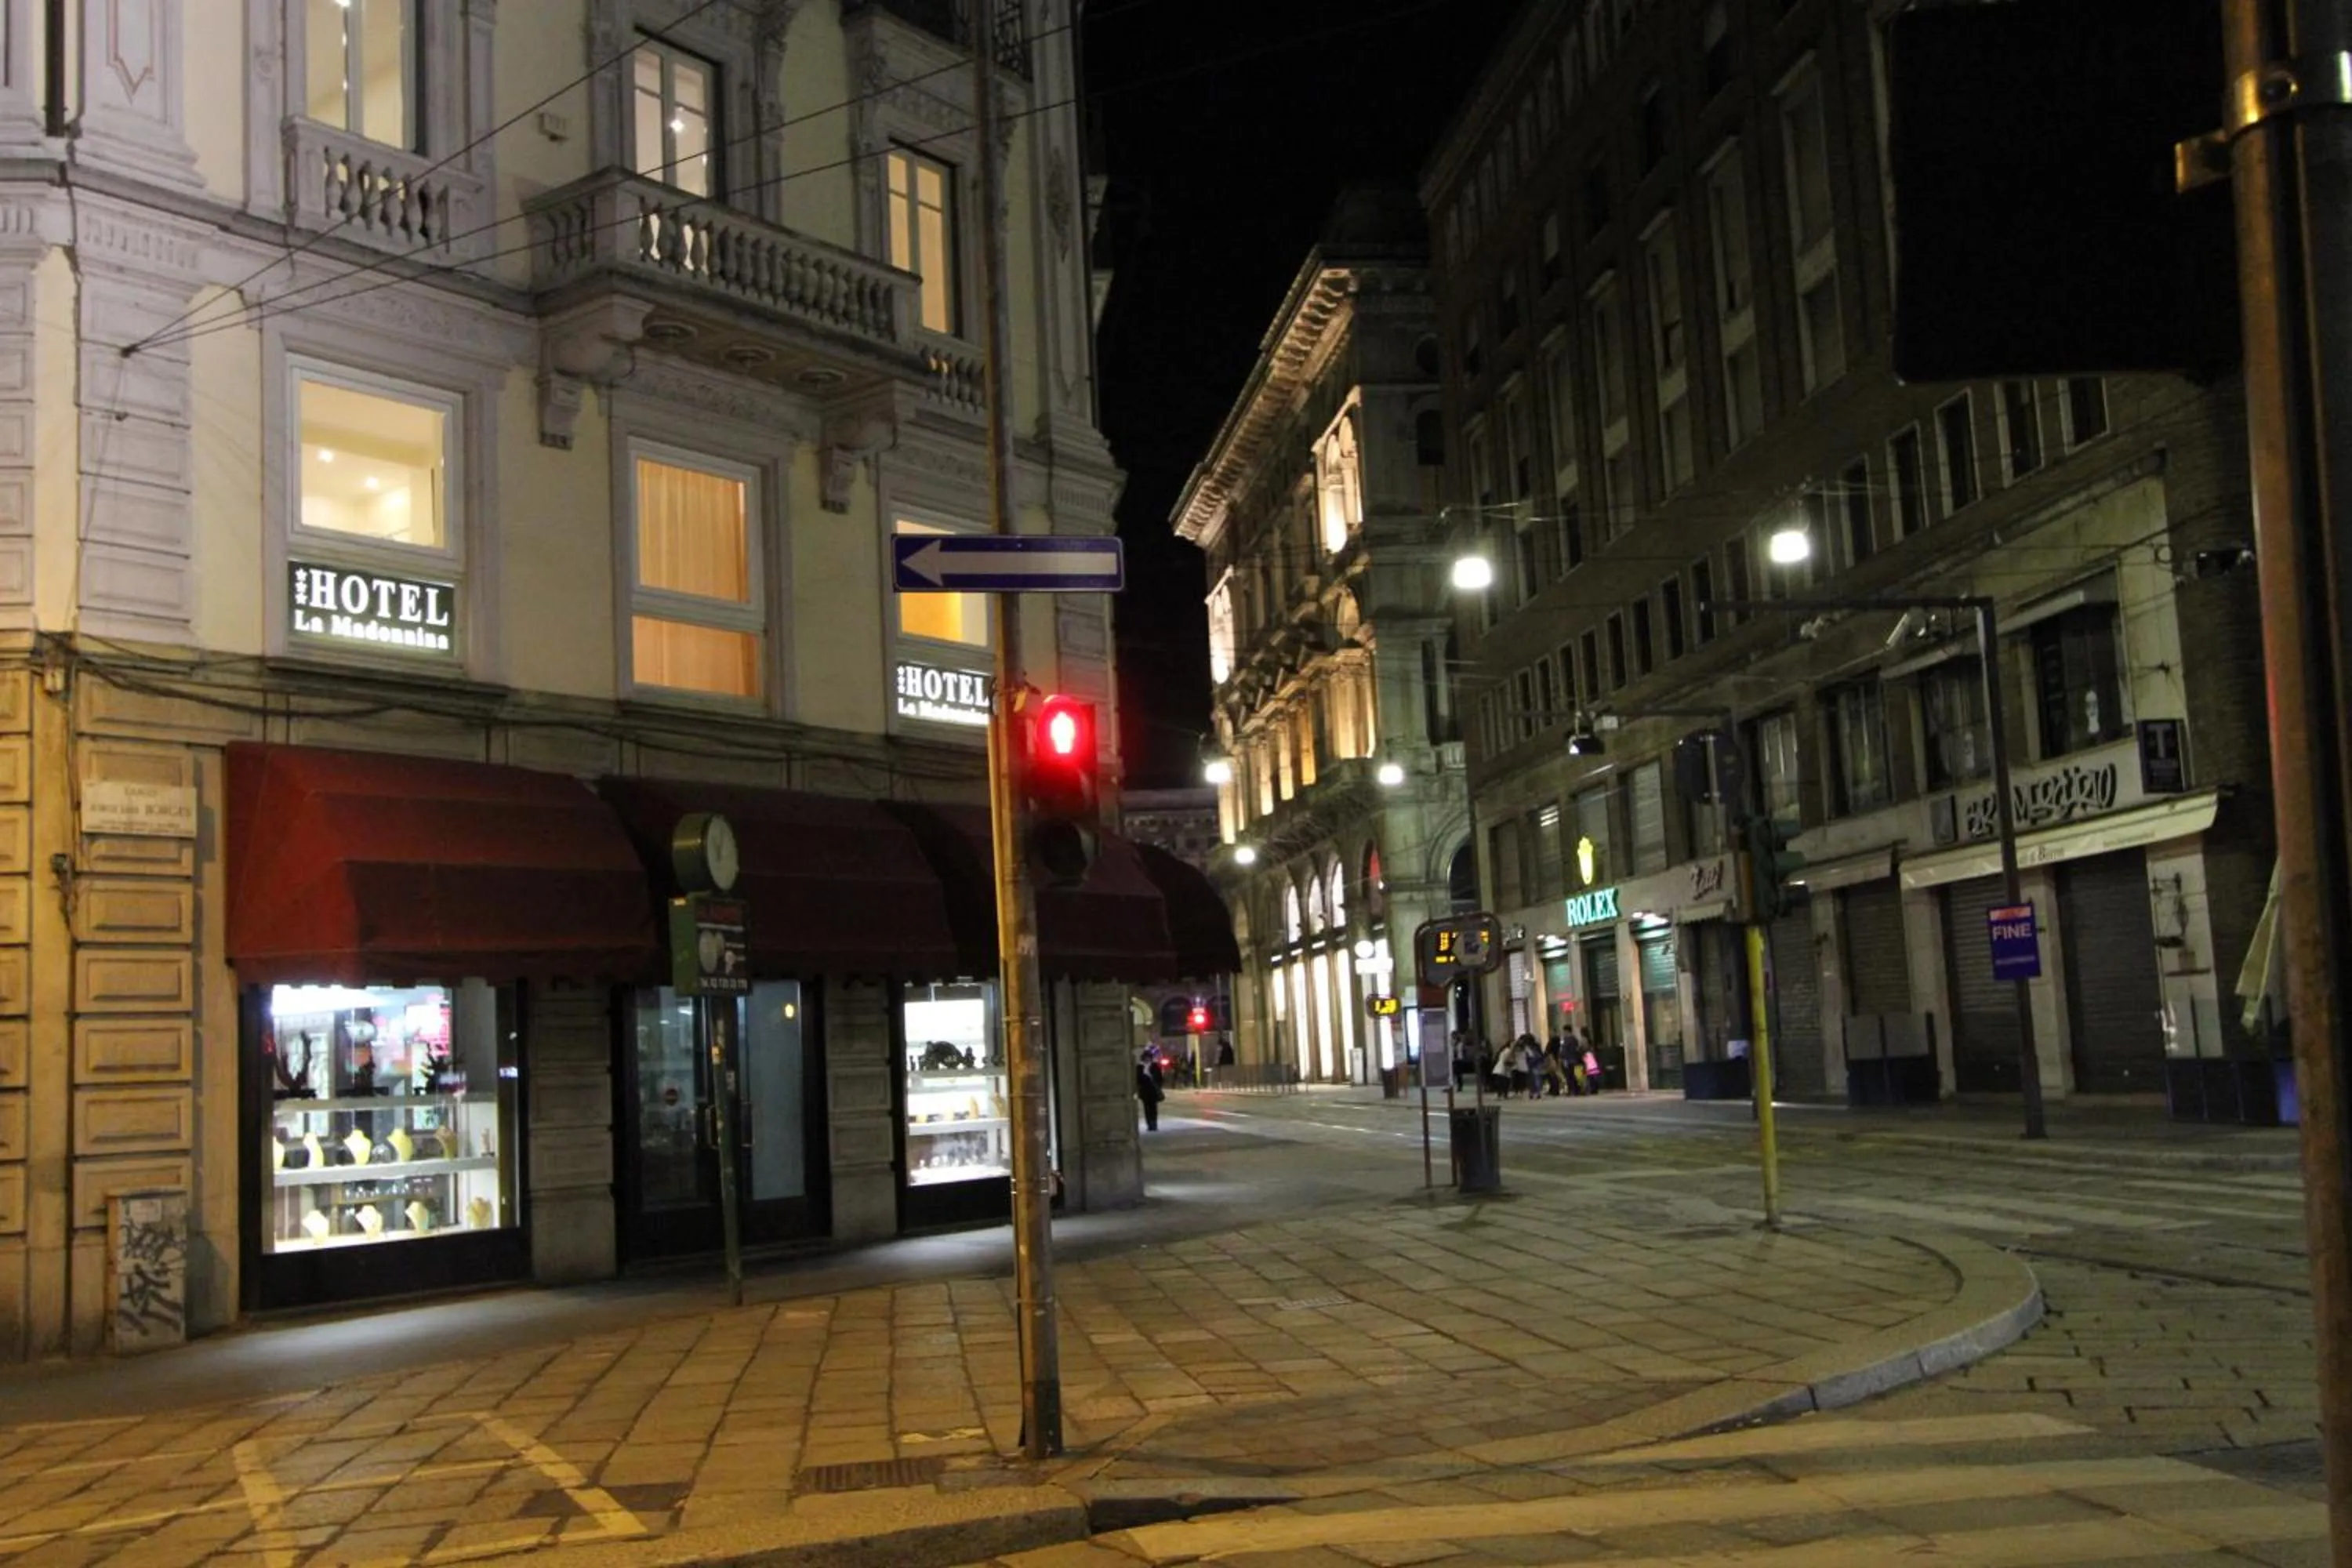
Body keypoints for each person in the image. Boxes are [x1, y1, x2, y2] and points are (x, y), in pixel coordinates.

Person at [1136, 1049, 1165, 1131]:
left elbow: (1160, 1078)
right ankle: (1149, 1125)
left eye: (1149, 1058)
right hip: (1145, 1091)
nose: (1147, 1059)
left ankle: (1154, 1124)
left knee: (1154, 1108)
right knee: (1147, 1109)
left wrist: (1158, 1085)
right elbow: (1138, 1079)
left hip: (1153, 1090)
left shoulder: (1155, 1066)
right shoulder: (1140, 1067)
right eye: (1146, 1058)